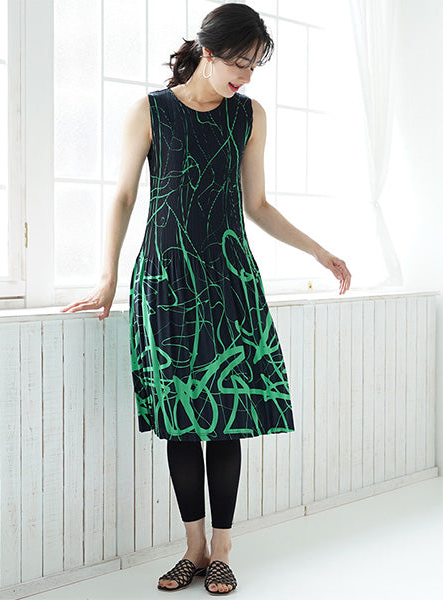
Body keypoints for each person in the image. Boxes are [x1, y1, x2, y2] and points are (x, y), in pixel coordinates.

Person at [61, 3, 351, 594]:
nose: (246, 76)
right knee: (181, 423)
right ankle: (193, 549)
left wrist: (320, 252)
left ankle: (222, 550)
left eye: (255, 66)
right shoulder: (151, 111)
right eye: (239, 63)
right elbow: (123, 197)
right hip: (165, 280)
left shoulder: (249, 115)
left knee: (226, 421)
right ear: (209, 52)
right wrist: (108, 276)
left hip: (228, 281)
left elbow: (257, 204)